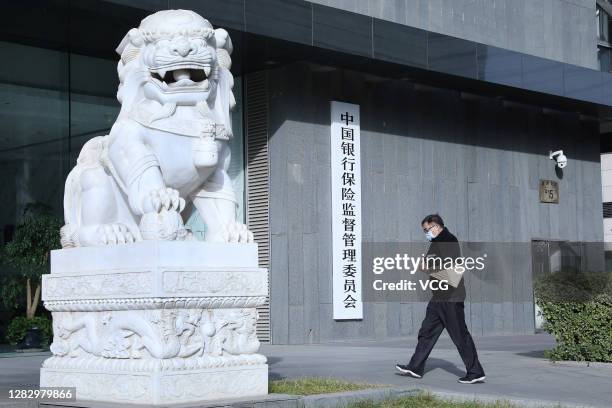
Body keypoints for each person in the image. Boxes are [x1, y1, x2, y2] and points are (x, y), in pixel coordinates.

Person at [395, 214, 486, 384]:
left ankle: (475, 372)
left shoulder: (449, 241)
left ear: (436, 226)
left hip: (451, 297)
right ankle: (415, 367)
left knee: (460, 335)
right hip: (438, 297)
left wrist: (427, 267)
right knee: (426, 332)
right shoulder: (437, 242)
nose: (426, 233)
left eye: (426, 230)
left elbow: (450, 269)